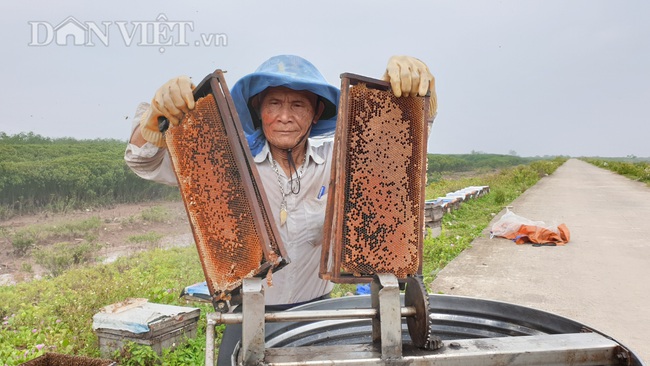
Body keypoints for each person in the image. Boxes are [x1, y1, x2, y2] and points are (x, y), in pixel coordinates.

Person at [124, 54, 436, 364]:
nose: (284, 116)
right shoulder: (226, 159)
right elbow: (144, 161)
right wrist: (153, 119)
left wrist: (408, 96)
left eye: (298, 105)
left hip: (318, 313)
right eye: (274, 103)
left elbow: (396, 148)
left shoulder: (337, 159)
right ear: (258, 110)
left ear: (316, 114)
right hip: (247, 315)